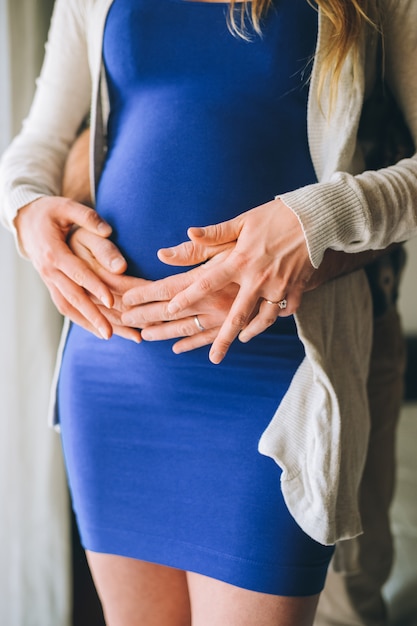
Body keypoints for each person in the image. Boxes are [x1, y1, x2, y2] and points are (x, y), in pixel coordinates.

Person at [0, 2, 416, 626]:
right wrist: (27, 214)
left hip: (276, 372)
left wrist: (316, 218)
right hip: (113, 367)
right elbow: (38, 143)